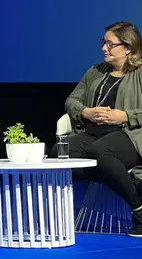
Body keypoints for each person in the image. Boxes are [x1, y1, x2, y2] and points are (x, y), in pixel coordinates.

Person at [50, 21, 142, 237]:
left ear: (128, 47)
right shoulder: (95, 71)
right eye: (104, 42)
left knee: (101, 152)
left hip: (130, 133)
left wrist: (126, 115)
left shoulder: (139, 73)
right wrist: (85, 112)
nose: (104, 48)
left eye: (110, 44)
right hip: (93, 132)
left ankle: (138, 211)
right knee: (58, 153)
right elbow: (71, 100)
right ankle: (127, 182)